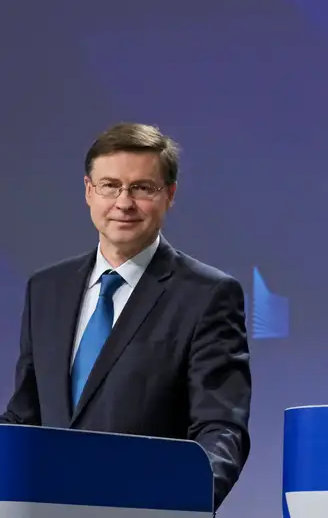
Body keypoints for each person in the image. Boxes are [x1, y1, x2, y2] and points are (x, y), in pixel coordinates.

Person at [0, 123, 251, 510]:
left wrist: (178, 502)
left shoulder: (208, 294)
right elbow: (24, 416)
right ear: (88, 191)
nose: (124, 202)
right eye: (110, 185)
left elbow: (220, 429)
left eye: (142, 188)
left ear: (169, 195)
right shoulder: (46, 289)